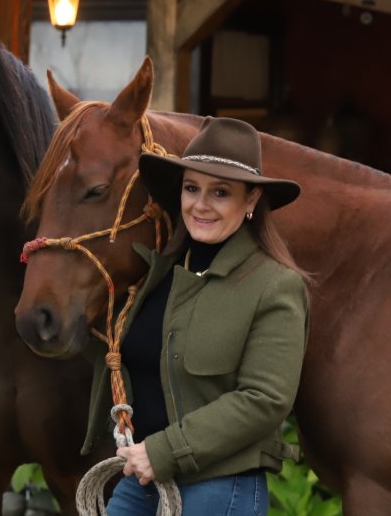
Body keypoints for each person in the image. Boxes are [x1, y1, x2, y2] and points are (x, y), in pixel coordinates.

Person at [84, 116, 310, 515]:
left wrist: (163, 450)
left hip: (220, 485)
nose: (201, 204)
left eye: (220, 192)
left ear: (252, 201)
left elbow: (265, 400)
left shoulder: (275, 286)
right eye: (192, 188)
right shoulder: (158, 277)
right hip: (143, 480)